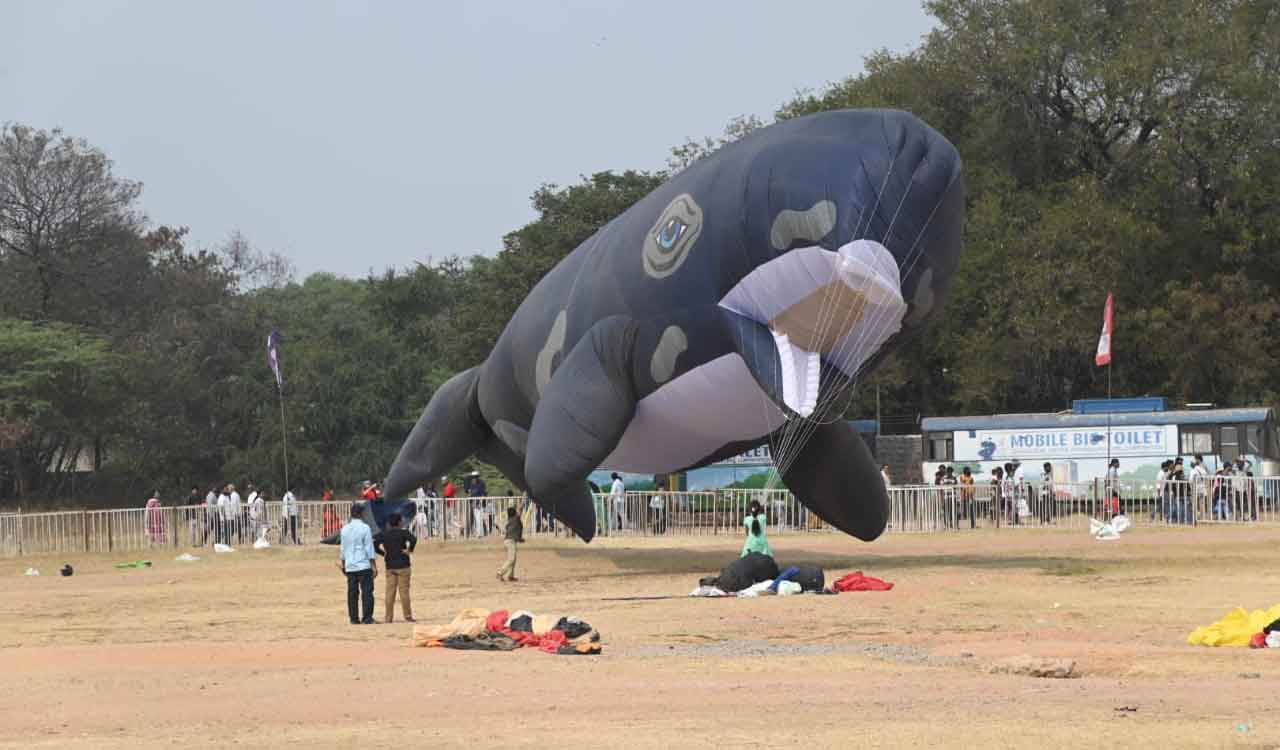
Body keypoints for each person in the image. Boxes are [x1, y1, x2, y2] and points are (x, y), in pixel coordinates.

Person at [374, 513, 416, 623]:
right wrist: (409, 550)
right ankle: (408, 616)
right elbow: (413, 539)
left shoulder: (384, 534)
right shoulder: (403, 533)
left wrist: (384, 554)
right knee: (404, 592)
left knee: (390, 592)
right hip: (403, 564)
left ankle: (388, 618)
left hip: (390, 565)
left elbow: (375, 545)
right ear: (399, 522)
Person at [340, 503, 378, 624]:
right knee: (367, 592)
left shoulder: (344, 529)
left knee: (352, 593)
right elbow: (369, 548)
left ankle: (354, 618)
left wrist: (343, 564)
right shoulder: (365, 528)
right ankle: (367, 617)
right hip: (363, 564)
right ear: (361, 514)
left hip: (350, 565)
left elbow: (343, 548)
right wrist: (373, 565)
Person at [497, 506, 524, 582]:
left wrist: (520, 539)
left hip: (510, 541)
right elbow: (520, 510)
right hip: (510, 541)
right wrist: (524, 498)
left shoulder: (511, 519)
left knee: (513, 559)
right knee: (511, 559)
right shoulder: (515, 519)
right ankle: (500, 572)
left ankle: (510, 576)